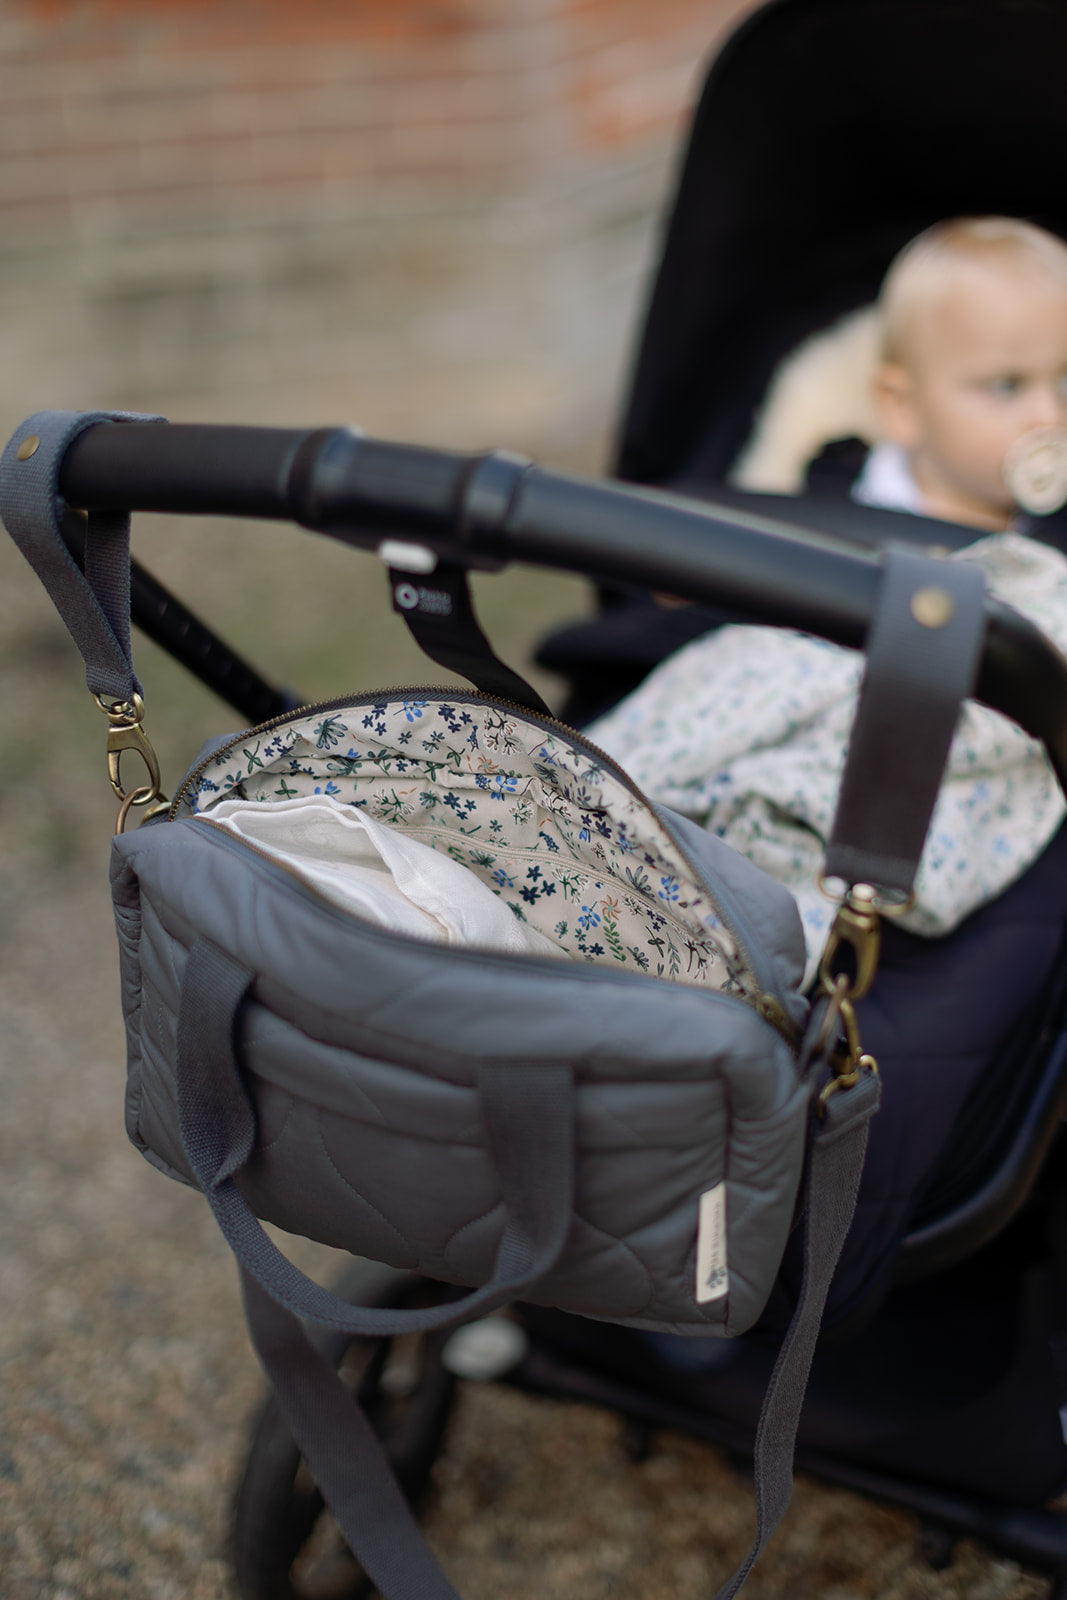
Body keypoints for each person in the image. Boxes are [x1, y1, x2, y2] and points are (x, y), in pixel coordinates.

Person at [586, 217, 1067, 981]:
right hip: (794, 688)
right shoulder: (830, 495)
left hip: (914, 770)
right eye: (1005, 387)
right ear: (901, 408)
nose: (1047, 417)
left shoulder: (1049, 540)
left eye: (1065, 383)